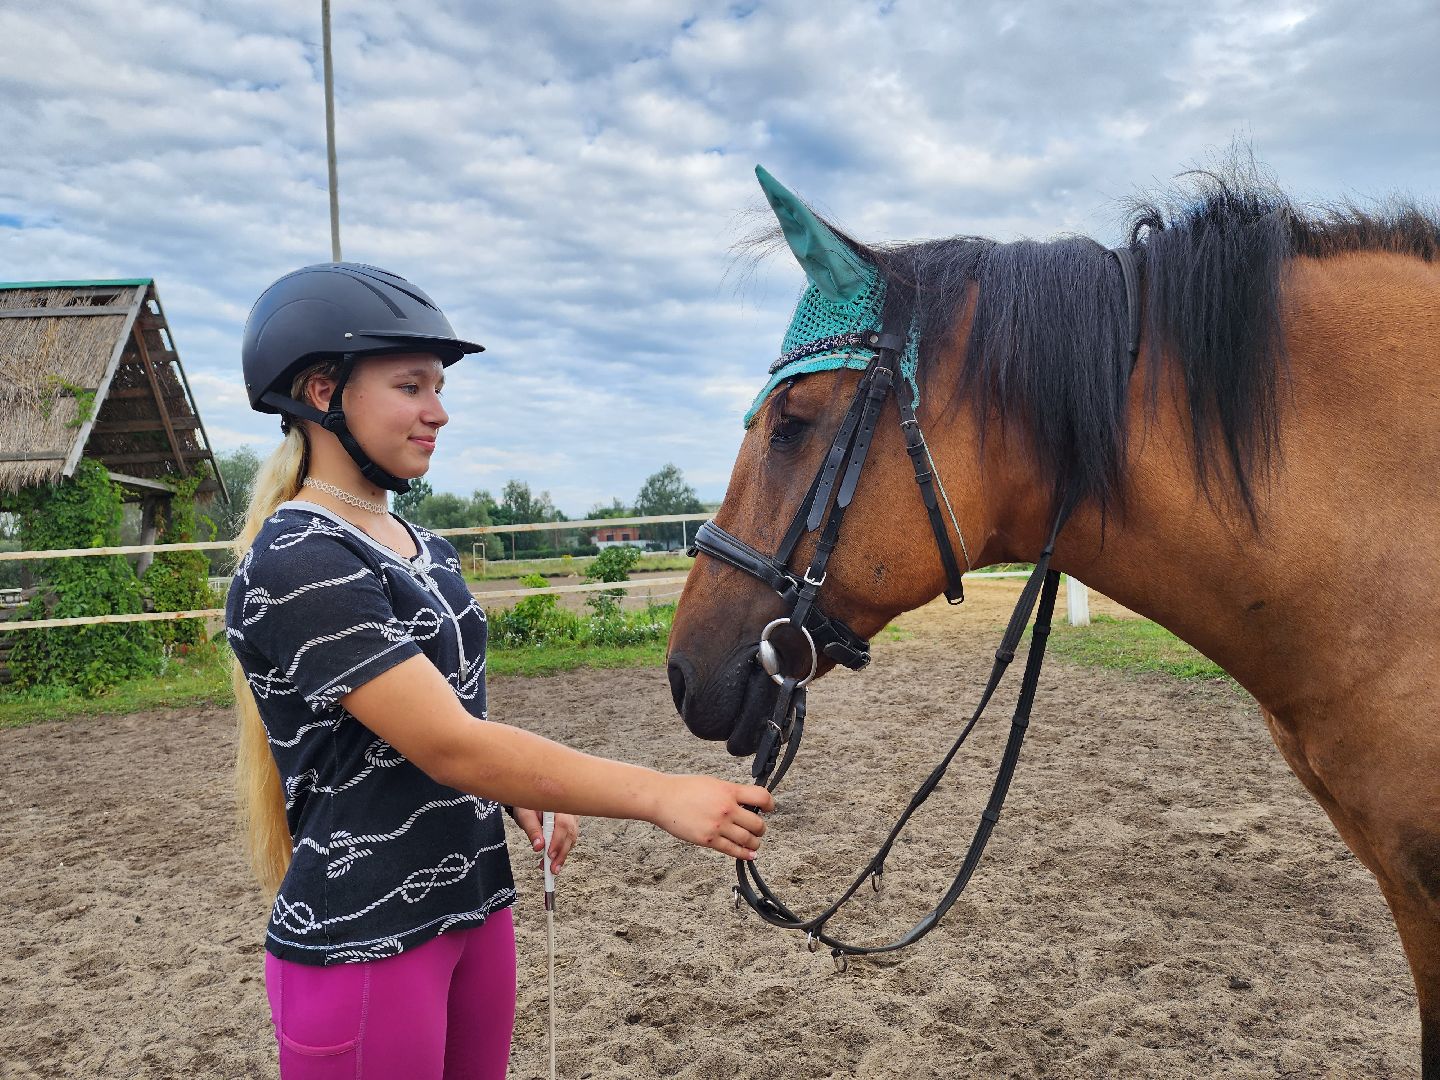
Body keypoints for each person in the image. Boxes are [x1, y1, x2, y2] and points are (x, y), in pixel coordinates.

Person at [226, 263, 772, 1080]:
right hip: (367, 937)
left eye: (438, 387)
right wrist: (659, 795)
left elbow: (447, 714)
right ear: (321, 390)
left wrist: (518, 787)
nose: (438, 411)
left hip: (474, 905)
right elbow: (449, 746)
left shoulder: (424, 547)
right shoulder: (298, 557)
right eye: (411, 386)